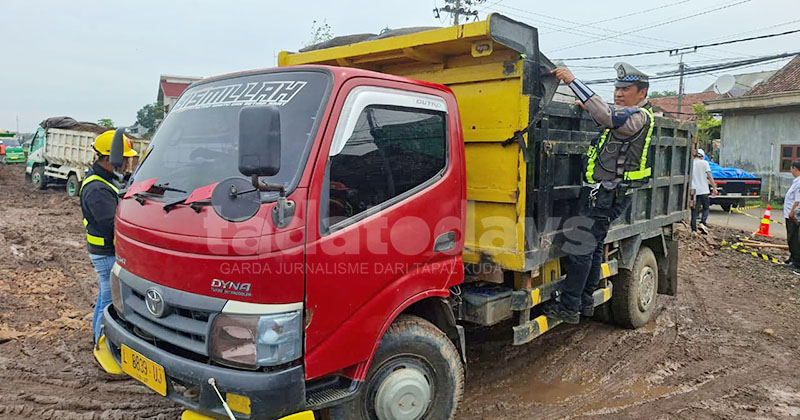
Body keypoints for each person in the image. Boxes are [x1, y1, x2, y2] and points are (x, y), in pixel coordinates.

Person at [544, 62, 656, 324]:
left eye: (625, 89)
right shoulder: (628, 114)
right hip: (605, 194)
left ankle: (569, 307)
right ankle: (584, 301)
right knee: (592, 250)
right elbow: (606, 116)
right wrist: (589, 106)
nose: (618, 93)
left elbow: (607, 117)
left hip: (607, 196)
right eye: (617, 89)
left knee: (581, 249)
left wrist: (573, 81)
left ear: (642, 93)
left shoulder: (639, 116)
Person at [81, 130, 136, 345]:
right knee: (108, 301)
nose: (127, 164)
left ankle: (97, 338)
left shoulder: (104, 181)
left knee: (104, 297)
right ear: (110, 159)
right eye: (125, 159)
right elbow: (111, 225)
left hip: (104, 253)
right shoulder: (97, 188)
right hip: (105, 254)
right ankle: (101, 343)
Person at [690, 148, 718, 234]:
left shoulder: (691, 164)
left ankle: (694, 229)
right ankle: (702, 222)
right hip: (704, 190)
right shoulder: (705, 163)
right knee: (706, 208)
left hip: (694, 191)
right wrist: (714, 187)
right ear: (702, 156)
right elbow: (709, 175)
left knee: (694, 210)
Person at [783, 161, 800, 268]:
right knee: (790, 237)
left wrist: (792, 211)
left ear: (795, 168)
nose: (791, 171)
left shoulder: (799, 183)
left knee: (793, 238)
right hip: (789, 214)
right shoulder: (796, 181)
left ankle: (796, 261)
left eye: (791, 168)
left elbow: (798, 200)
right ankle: (792, 257)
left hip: (793, 215)